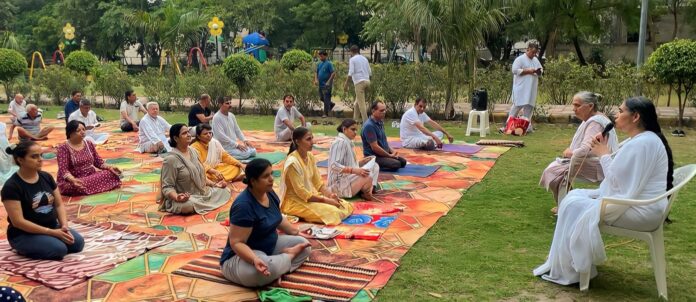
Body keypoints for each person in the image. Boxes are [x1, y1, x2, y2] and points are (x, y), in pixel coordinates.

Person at [533, 97, 674, 287]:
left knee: (573, 204)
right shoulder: (642, 140)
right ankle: (572, 264)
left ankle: (575, 268)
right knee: (573, 198)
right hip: (642, 205)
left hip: (640, 211)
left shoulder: (643, 143)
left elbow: (620, 186)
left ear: (636, 117)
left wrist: (603, 155)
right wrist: (605, 152)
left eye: (621, 110)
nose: (616, 114)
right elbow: (621, 179)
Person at [219, 158, 311, 287]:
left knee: (304, 244)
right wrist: (255, 259)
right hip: (241, 256)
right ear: (253, 181)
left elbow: (277, 218)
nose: (272, 179)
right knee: (256, 273)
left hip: (268, 246)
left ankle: (276, 270)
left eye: (271, 174)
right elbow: (237, 243)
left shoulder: (270, 193)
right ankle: (287, 259)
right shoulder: (244, 205)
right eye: (266, 176)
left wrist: (297, 232)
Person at [1, 140, 85, 260]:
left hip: (51, 226)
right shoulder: (12, 186)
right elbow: (18, 222)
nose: (40, 159)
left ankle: (46, 241)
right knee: (59, 249)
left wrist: (64, 226)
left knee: (77, 244)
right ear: (20, 160)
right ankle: (21, 246)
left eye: (41, 155)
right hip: (24, 234)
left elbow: (59, 205)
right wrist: (51, 233)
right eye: (34, 156)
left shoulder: (46, 177)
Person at [539, 92, 618, 211]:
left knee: (554, 171)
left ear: (590, 106)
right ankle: (568, 203)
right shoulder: (594, 118)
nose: (574, 109)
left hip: (598, 165)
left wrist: (571, 153)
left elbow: (588, 149)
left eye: (577, 105)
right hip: (597, 161)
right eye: (573, 105)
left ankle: (565, 206)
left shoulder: (595, 122)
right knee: (554, 168)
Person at [279, 127, 353, 225]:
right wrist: (325, 200)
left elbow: (318, 183)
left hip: (309, 197)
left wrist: (330, 195)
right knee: (333, 213)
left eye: (312, 138)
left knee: (345, 205)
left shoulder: (310, 156)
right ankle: (307, 215)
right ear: (297, 142)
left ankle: (312, 214)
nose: (312, 142)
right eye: (308, 139)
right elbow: (302, 193)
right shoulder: (293, 163)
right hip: (294, 202)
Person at [159, 124, 231, 214]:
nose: (189, 135)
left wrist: (215, 185)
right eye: (184, 133)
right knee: (187, 206)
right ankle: (202, 203)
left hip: (201, 194)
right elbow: (167, 187)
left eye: (188, 132)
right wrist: (177, 197)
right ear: (176, 138)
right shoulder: (170, 160)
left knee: (225, 190)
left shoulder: (194, 152)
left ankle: (204, 202)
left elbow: (202, 176)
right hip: (185, 198)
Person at [56, 121, 122, 196]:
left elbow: (98, 162)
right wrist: (73, 180)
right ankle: (92, 187)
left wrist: (111, 167)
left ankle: (89, 187)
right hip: (72, 179)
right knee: (76, 185)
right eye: (78, 130)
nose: (82, 132)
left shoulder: (89, 144)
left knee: (110, 173)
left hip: (90, 175)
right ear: (70, 133)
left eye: (84, 130)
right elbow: (63, 170)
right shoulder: (63, 148)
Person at [328, 119, 380, 200]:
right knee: (368, 176)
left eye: (356, 130)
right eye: (353, 129)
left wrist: (362, 162)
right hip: (338, 185)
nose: (355, 132)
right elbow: (334, 166)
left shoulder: (348, 141)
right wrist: (355, 171)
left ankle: (369, 190)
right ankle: (366, 192)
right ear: (344, 129)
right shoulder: (340, 142)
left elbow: (348, 165)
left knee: (375, 166)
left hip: (348, 178)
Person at [503, 42, 542, 133]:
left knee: (529, 107)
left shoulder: (536, 60)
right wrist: (527, 71)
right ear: (527, 49)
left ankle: (526, 126)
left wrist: (537, 71)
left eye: (535, 53)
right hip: (521, 88)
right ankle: (508, 124)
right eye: (532, 52)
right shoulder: (520, 59)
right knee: (517, 106)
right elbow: (514, 70)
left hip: (531, 87)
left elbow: (541, 70)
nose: (533, 54)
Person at [362, 101, 407, 171]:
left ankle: (385, 161)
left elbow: (383, 141)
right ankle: (370, 164)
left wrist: (392, 151)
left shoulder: (380, 122)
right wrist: (389, 155)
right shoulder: (369, 126)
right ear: (373, 111)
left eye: (385, 110)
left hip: (383, 154)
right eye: (381, 110)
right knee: (396, 164)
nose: (384, 112)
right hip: (374, 157)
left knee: (403, 162)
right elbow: (375, 147)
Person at [344, 45, 371, 122]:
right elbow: (370, 72)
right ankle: (354, 121)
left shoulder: (352, 59)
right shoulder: (364, 58)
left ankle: (366, 123)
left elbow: (351, 72)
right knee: (357, 103)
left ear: (351, 52)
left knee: (361, 105)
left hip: (359, 82)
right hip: (367, 81)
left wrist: (346, 83)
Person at [314, 50, 336, 118]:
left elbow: (333, 73)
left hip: (327, 85)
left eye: (322, 56)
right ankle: (331, 104)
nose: (320, 57)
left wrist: (329, 81)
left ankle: (325, 113)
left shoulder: (329, 64)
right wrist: (316, 79)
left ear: (325, 56)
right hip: (320, 84)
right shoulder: (319, 64)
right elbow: (316, 72)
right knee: (321, 98)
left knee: (326, 98)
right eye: (319, 56)